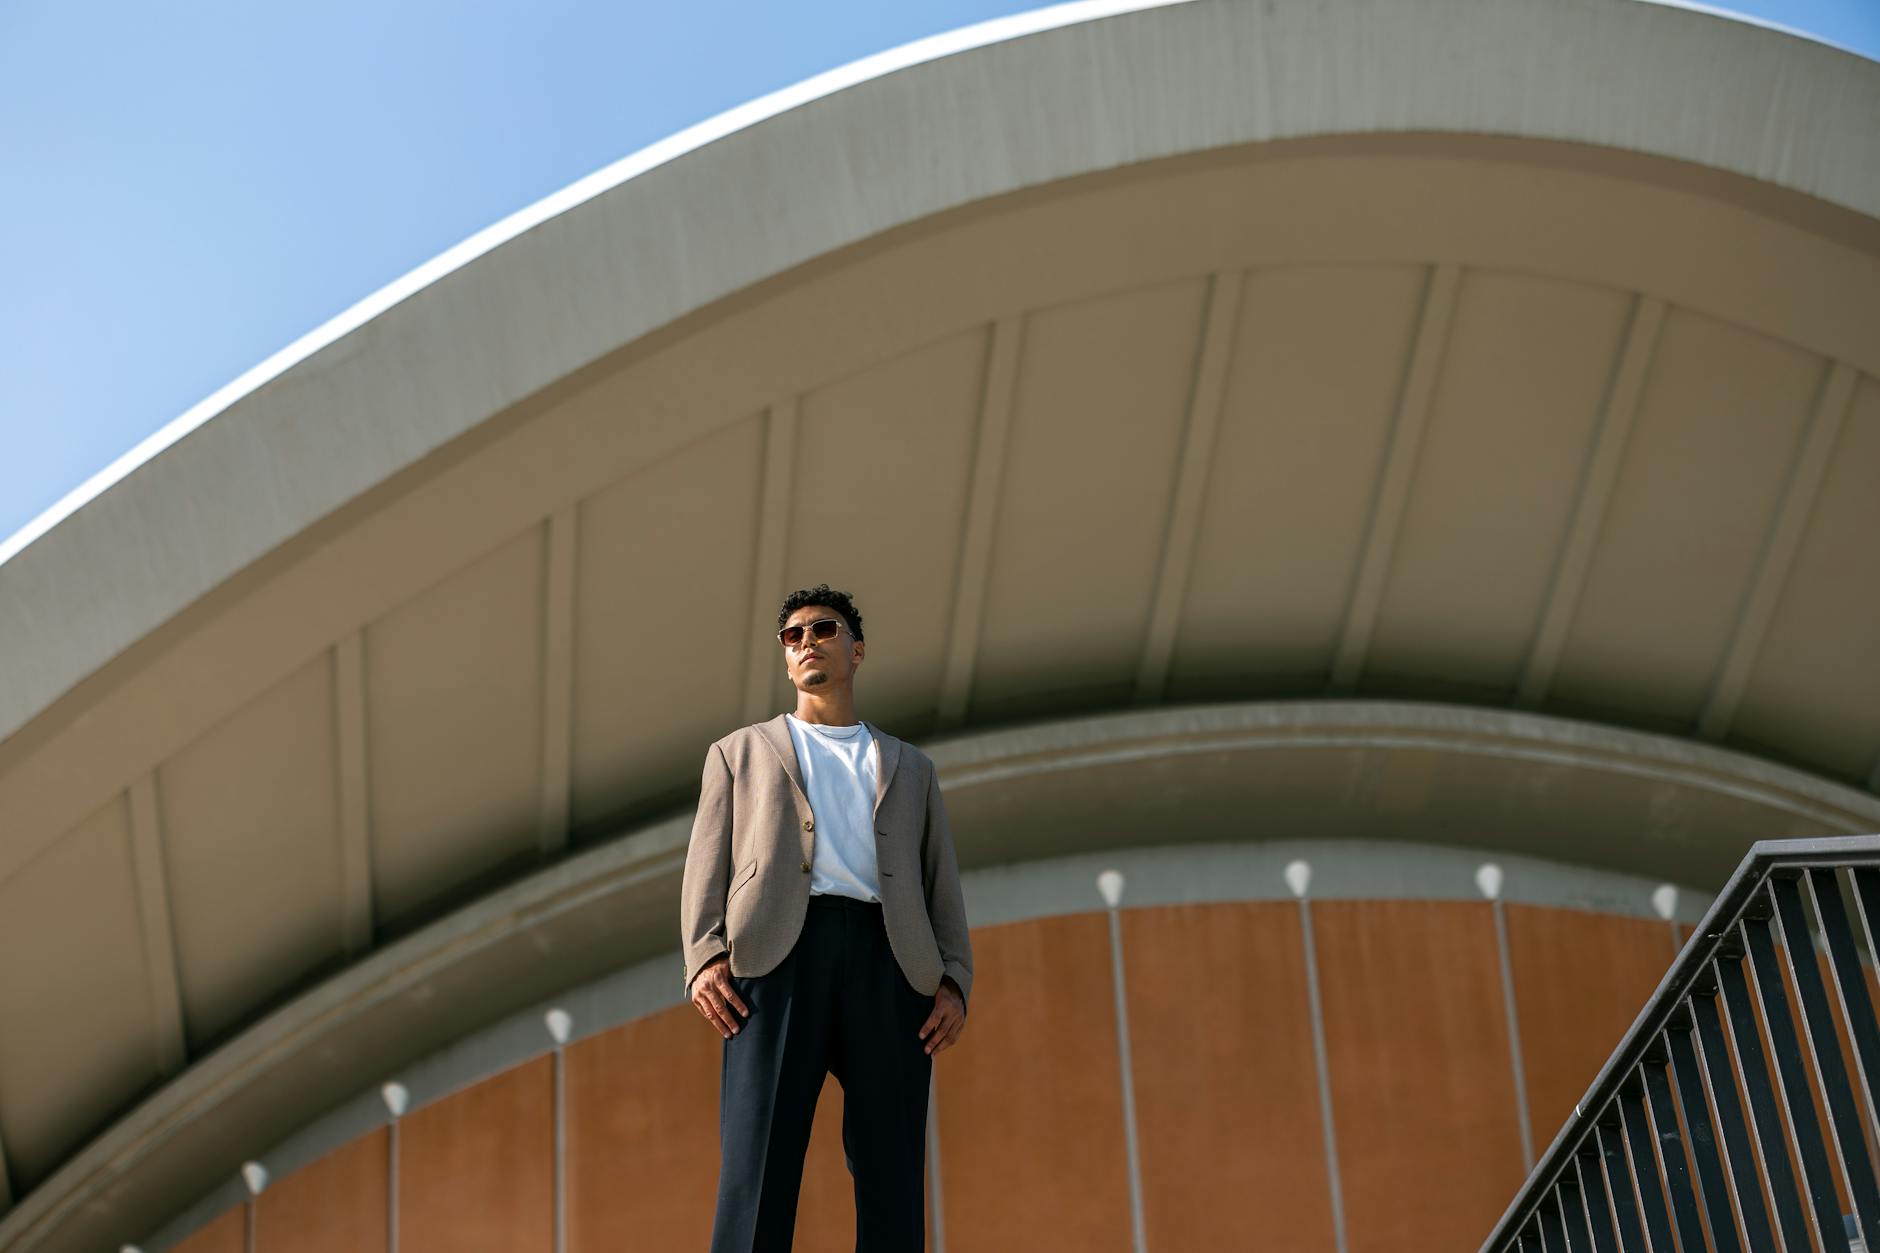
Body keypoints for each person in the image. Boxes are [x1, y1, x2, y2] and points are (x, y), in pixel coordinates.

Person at [679, 583, 974, 1252]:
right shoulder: (739, 751)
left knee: (892, 1166)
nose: (807, 642)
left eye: (823, 629)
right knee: (758, 1160)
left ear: (857, 650)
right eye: (793, 636)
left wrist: (955, 977)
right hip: (776, 958)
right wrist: (704, 955)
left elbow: (940, 878)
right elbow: (706, 859)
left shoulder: (911, 766)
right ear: (787, 659)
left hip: (890, 960)